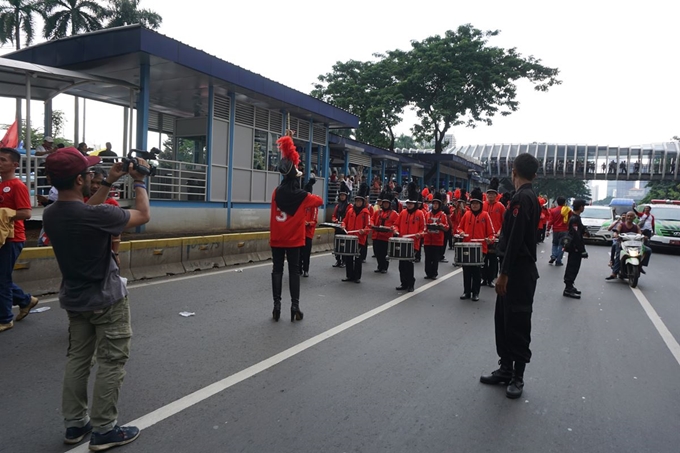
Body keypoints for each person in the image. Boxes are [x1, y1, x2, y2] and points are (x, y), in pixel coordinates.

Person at [42, 147, 151, 449]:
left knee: (78, 359)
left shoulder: (51, 214)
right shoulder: (99, 215)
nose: (93, 175)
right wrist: (140, 181)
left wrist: (107, 183)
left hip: (75, 300)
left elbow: (82, 209)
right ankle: (105, 429)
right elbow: (143, 215)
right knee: (112, 361)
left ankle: (75, 425)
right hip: (107, 299)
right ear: (79, 179)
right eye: (89, 173)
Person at [480, 153, 540, 400]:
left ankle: (518, 376)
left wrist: (504, 273)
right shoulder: (526, 197)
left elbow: (516, 239)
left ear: (513, 171)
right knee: (503, 320)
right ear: (534, 174)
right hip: (514, 267)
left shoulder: (522, 199)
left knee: (517, 322)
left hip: (518, 270)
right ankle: (505, 368)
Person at [269, 134, 323, 322]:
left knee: (277, 270)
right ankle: (295, 306)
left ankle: (276, 306)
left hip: (277, 237)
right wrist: (307, 189)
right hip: (294, 240)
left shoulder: (276, 192)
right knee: (293, 271)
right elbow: (319, 201)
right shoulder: (302, 196)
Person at [0, 148, 39, 333]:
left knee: (2, 279)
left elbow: (26, 213)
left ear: (15, 165)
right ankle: (25, 300)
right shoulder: (1, 185)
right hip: (1, 237)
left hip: (13, 238)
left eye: (3, 160)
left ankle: (5, 318)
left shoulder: (17, 186)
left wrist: (6, 213)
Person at [456, 188, 495, 301]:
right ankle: (466, 291)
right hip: (466, 246)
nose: (474, 205)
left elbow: (491, 233)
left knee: (476, 271)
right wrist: (462, 233)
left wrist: (490, 239)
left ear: (480, 204)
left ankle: (475, 292)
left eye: (477, 203)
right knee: (466, 271)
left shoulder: (485, 215)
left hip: (480, 248)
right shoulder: (467, 215)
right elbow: (459, 228)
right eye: (473, 203)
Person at [605, 211, 651, 279]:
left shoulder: (636, 226)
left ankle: (640, 265)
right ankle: (614, 272)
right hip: (623, 244)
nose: (629, 217)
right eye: (628, 216)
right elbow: (617, 231)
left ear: (634, 217)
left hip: (635, 244)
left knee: (648, 250)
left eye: (631, 216)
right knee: (618, 253)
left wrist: (644, 236)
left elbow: (640, 233)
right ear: (626, 217)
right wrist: (616, 235)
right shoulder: (621, 225)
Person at [394, 197, 425, 292]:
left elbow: (423, 228)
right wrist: (396, 231)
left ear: (414, 204)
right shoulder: (403, 213)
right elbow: (396, 224)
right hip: (402, 241)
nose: (409, 205)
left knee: (409, 265)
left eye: (411, 203)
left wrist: (420, 234)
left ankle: (410, 284)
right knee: (401, 265)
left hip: (413, 243)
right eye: (408, 203)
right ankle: (403, 283)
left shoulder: (420, 213)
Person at [341, 184, 371, 283]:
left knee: (358, 259)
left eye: (359, 201)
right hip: (350, 237)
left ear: (362, 202)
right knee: (348, 257)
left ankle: (357, 277)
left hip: (360, 239)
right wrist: (343, 225)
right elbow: (344, 220)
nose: (358, 203)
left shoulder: (366, 212)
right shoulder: (350, 211)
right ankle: (349, 275)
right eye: (356, 201)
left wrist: (364, 231)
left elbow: (368, 226)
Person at [563, 199, 589, 298]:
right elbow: (576, 235)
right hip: (574, 247)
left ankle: (570, 286)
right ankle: (568, 288)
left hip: (576, 247)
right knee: (572, 267)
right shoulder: (574, 219)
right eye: (583, 206)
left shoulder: (577, 218)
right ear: (581, 207)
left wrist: (585, 230)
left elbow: (580, 229)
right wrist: (582, 250)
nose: (584, 208)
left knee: (575, 267)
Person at [482, 178, 505, 287]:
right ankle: (483, 278)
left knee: (493, 259)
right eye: (489, 194)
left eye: (492, 194)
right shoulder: (483, 205)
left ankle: (491, 279)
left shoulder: (500, 206)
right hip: (484, 236)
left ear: (496, 195)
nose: (490, 196)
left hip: (495, 236)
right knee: (483, 259)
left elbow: (505, 221)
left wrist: (500, 231)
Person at [372, 190, 399, 274]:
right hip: (377, 235)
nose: (385, 204)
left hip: (386, 237)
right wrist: (373, 225)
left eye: (387, 203)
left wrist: (393, 228)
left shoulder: (394, 213)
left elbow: (397, 224)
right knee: (377, 252)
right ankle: (379, 266)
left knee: (384, 253)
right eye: (384, 203)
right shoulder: (378, 212)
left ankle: (384, 267)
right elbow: (372, 220)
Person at [423, 193, 448, 280]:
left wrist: (441, 226)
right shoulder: (427, 214)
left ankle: (434, 273)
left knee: (435, 258)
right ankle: (428, 273)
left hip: (438, 241)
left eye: (437, 204)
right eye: (434, 204)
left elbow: (447, 227)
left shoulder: (443, 215)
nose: (435, 205)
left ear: (439, 205)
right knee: (427, 258)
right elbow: (424, 226)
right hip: (428, 240)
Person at [299, 176, 318, 278]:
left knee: (306, 253)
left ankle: (306, 269)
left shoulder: (314, 206)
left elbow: (314, 220)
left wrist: (308, 223)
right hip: (300, 232)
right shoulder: (300, 204)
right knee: (298, 253)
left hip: (308, 233)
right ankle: (299, 269)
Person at [547, 196, 571, 266]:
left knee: (555, 244)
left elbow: (550, 221)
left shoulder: (553, 210)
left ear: (557, 202)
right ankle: (558, 260)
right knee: (562, 245)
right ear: (564, 202)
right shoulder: (568, 210)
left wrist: (548, 230)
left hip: (555, 230)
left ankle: (554, 255)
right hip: (565, 230)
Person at [331, 183, 350, 268]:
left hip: (344, 228)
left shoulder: (349, 206)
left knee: (344, 244)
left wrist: (343, 223)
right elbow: (333, 216)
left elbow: (349, 217)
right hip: (337, 227)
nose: (342, 197)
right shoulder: (337, 206)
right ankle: (338, 260)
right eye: (341, 195)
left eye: (343, 195)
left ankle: (344, 261)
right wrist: (335, 220)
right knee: (337, 244)